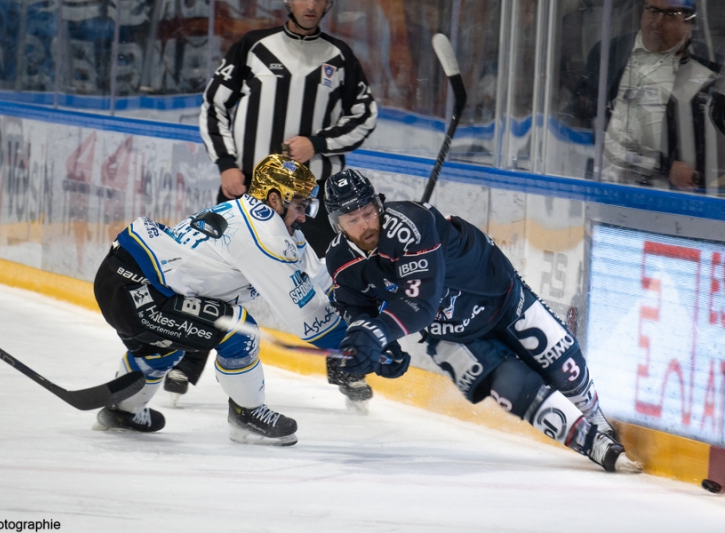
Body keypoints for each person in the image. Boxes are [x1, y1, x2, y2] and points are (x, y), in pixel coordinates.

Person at [322, 168, 643, 473]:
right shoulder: (340, 260)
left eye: (368, 212)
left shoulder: (411, 225)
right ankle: (593, 445)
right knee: (512, 386)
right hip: (448, 333)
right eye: (353, 219)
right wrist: (378, 342)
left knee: (558, 357)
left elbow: (421, 303)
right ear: (338, 224)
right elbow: (356, 305)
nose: (366, 224)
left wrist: (378, 333)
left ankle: (596, 419)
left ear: (378, 204)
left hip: (493, 291)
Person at [92, 155, 345, 446]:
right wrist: (367, 345)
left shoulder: (259, 217)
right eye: (300, 206)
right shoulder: (265, 234)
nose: (303, 217)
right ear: (275, 199)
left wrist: (358, 278)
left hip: (128, 278)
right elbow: (309, 319)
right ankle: (246, 415)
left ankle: (123, 411)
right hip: (138, 291)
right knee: (238, 328)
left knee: (166, 346)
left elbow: (317, 279)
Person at [199, 0, 378, 256]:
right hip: (249, 187)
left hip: (312, 196)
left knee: (313, 277)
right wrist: (226, 164)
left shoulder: (339, 57)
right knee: (231, 269)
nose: (311, 5)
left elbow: (365, 116)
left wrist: (317, 143)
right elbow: (215, 104)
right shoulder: (254, 46)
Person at [573, 0, 721, 190]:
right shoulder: (609, 53)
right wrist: (664, 167)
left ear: (688, 22)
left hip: (672, 198)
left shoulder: (707, 68)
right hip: (606, 188)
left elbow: (707, 148)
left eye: (669, 14)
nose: (657, 21)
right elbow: (593, 123)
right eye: (653, 11)